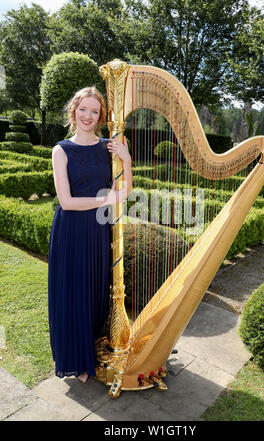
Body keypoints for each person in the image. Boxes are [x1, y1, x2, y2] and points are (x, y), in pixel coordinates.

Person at [48, 85, 132, 384]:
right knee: (73, 293)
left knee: (96, 292)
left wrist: (126, 158)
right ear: (74, 111)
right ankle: (76, 360)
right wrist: (105, 200)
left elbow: (124, 192)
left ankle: (94, 352)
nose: (87, 115)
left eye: (94, 111)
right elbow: (67, 202)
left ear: (101, 116)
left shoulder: (109, 147)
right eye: (83, 109)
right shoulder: (61, 150)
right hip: (71, 232)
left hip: (98, 231)